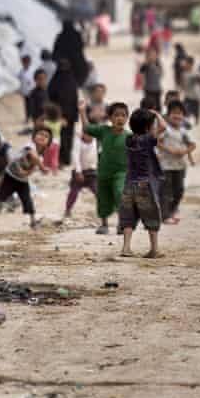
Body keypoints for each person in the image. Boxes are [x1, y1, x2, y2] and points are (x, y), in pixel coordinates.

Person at [120, 108, 168, 258]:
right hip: (145, 184)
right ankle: (154, 249)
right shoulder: (147, 140)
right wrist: (157, 114)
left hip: (129, 183)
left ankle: (126, 248)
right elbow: (164, 127)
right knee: (151, 215)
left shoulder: (129, 139)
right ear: (148, 127)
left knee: (129, 215)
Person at [81, 101, 130, 235]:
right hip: (103, 173)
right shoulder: (104, 131)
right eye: (116, 115)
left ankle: (122, 223)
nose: (120, 118)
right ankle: (104, 224)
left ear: (127, 118)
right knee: (102, 198)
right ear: (110, 118)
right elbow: (87, 128)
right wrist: (82, 111)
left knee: (120, 194)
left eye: (123, 115)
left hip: (121, 173)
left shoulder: (129, 136)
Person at [0, 127, 52, 228]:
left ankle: (33, 221)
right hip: (10, 175)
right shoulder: (29, 146)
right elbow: (32, 155)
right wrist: (42, 167)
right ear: (34, 137)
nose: (42, 137)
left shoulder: (41, 158)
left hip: (22, 180)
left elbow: (32, 170)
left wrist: (25, 173)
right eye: (40, 134)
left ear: (48, 144)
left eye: (46, 136)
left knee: (27, 200)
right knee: (2, 195)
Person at [158, 101, 196, 225]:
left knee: (179, 191)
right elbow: (157, 142)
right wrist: (170, 150)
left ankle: (172, 211)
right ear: (168, 115)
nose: (177, 116)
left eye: (179, 113)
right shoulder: (166, 130)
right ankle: (165, 215)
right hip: (166, 166)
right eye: (174, 113)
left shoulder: (183, 131)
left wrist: (185, 151)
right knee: (166, 191)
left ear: (183, 116)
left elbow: (192, 145)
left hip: (180, 166)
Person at [47, 57, 80, 168]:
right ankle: (60, 159)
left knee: (66, 138)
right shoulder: (69, 81)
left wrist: (74, 115)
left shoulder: (59, 81)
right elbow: (51, 100)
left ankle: (65, 159)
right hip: (58, 116)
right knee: (59, 138)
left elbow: (75, 99)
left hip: (68, 116)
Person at [41, 103, 65, 173]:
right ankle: (55, 170)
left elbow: (39, 124)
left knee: (46, 156)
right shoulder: (59, 123)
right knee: (55, 157)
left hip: (47, 142)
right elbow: (65, 123)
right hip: (57, 143)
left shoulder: (46, 123)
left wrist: (43, 118)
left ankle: (45, 168)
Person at [179, 57, 200, 125]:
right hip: (187, 96)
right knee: (185, 114)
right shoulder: (183, 74)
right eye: (185, 63)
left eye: (186, 63)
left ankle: (197, 128)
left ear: (191, 64)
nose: (185, 65)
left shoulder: (197, 73)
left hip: (196, 97)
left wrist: (199, 79)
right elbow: (182, 85)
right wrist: (179, 93)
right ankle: (186, 127)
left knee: (197, 115)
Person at [139, 46, 163, 111]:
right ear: (147, 56)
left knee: (158, 106)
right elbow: (141, 74)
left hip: (157, 89)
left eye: (154, 55)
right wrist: (143, 84)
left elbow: (161, 74)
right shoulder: (145, 65)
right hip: (148, 89)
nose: (152, 57)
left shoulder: (158, 64)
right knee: (148, 106)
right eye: (150, 55)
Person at [19, 55, 35, 123]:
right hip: (25, 91)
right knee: (27, 105)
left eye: (26, 62)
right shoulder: (21, 71)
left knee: (32, 105)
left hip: (32, 91)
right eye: (24, 62)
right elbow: (20, 80)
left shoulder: (32, 70)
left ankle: (32, 117)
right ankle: (27, 118)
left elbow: (34, 80)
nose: (25, 64)